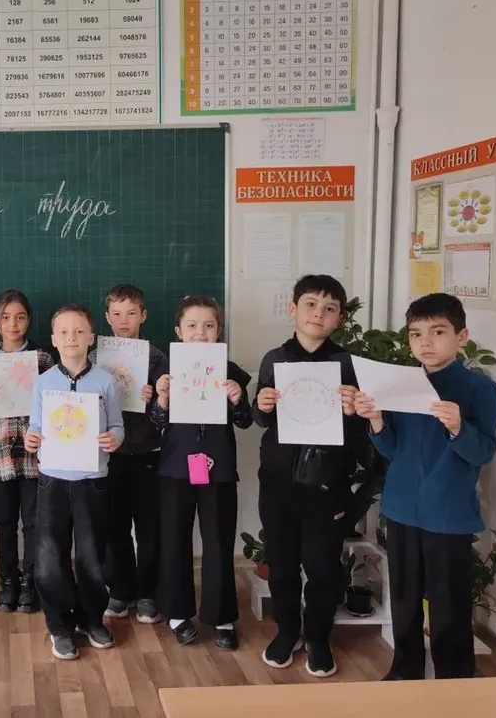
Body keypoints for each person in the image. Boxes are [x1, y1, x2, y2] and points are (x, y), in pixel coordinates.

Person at [355, 293, 496, 680]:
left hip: (448, 512)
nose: (426, 343)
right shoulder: (403, 385)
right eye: (416, 334)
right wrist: (376, 421)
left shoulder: (478, 389)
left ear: (461, 336)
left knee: (448, 604)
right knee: (404, 600)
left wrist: (458, 427)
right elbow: (392, 450)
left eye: (438, 332)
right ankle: (406, 671)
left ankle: (454, 680)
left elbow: (484, 452)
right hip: (401, 507)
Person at [252, 274, 360, 677]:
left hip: (327, 484)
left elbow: (361, 430)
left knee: (323, 566)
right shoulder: (274, 359)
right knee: (281, 564)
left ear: (339, 318)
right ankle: (287, 632)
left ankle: (317, 636)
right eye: (311, 304)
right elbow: (261, 419)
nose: (319, 314)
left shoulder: (347, 364)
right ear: (293, 309)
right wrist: (262, 404)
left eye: (329, 309)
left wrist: (354, 410)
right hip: (278, 481)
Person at [151, 296, 252, 649]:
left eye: (208, 326)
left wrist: (238, 399)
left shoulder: (231, 371)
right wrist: (162, 400)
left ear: (218, 330)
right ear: (178, 331)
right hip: (175, 467)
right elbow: (155, 423)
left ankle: (222, 616)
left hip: (218, 468)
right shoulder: (164, 371)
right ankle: (177, 612)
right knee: (174, 541)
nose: (200, 333)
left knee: (219, 543)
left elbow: (245, 422)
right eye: (192, 326)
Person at [25, 304, 124, 661]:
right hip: (52, 480)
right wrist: (31, 438)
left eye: (79, 331)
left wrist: (115, 439)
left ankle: (91, 618)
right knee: (50, 556)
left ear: (91, 338)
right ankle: (59, 624)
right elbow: (36, 425)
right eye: (64, 332)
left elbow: (117, 425)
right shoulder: (44, 382)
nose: (72, 338)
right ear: (53, 340)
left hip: (92, 481)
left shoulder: (106, 381)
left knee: (92, 556)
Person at [0, 290, 55, 613]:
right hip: (0, 457)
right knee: (4, 523)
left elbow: (56, 403)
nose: (13, 324)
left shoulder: (43, 360)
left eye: (20, 317)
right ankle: (8, 580)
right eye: (5, 318)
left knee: (34, 523)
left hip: (35, 455)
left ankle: (31, 581)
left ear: (28, 321)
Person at [94, 284, 167, 625]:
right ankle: (120, 590)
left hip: (149, 453)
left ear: (144, 315)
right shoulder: (95, 359)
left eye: (131, 313)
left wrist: (155, 397)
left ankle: (149, 592)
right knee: (114, 527)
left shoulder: (157, 358)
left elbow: (167, 411)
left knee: (150, 528)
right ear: (107, 317)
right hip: (111, 454)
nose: (124, 320)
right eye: (117, 313)